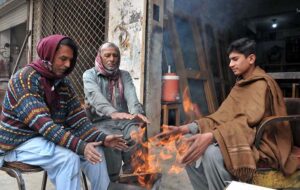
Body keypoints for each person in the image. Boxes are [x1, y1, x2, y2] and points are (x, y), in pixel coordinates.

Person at [157, 37, 298, 190]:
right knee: (185, 142)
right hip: (240, 134)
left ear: (251, 59)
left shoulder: (261, 84)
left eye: (235, 59)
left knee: (212, 153)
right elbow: (221, 117)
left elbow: (247, 121)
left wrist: (213, 135)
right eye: (230, 60)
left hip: (261, 141)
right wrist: (186, 129)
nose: (230, 64)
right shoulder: (240, 85)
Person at [0, 35, 128, 190]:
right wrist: (79, 146)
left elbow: (79, 121)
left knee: (96, 150)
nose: (67, 65)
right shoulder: (24, 79)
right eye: (62, 59)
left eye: (70, 60)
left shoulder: (63, 83)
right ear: (48, 55)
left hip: (47, 138)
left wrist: (103, 138)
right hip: (18, 143)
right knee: (67, 158)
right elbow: (44, 125)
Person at [83, 42, 150, 181]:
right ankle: (111, 180)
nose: (112, 59)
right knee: (112, 139)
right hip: (101, 122)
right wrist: (112, 112)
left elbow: (131, 95)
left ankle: (133, 176)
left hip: (124, 120)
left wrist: (136, 112)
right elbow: (95, 97)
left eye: (115, 55)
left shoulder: (124, 75)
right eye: (107, 55)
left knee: (137, 135)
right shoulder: (89, 75)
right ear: (100, 57)